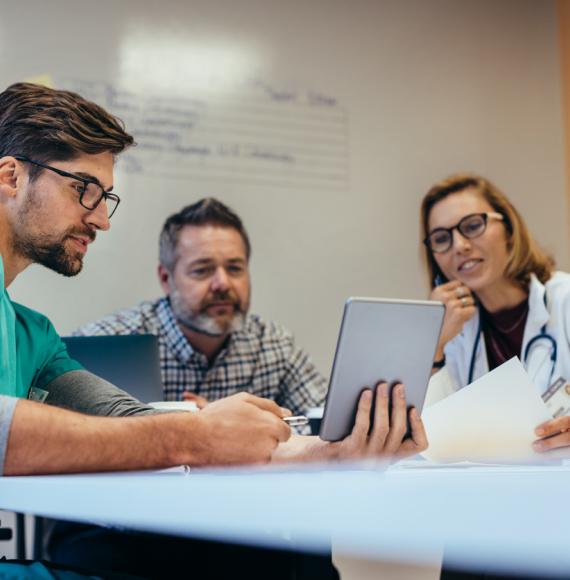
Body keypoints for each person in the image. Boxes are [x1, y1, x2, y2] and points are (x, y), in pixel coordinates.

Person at [0, 82, 427, 578]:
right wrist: (194, 434)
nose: (101, 219)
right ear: (10, 176)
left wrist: (330, 452)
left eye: (105, 197)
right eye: (84, 189)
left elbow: (126, 421)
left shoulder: (33, 335)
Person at [74, 198, 326, 419]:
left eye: (235, 268)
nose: (223, 283)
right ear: (166, 279)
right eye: (202, 270)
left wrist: (247, 427)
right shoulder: (104, 344)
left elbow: (327, 429)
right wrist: (198, 429)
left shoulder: (274, 344)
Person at [421, 173, 570, 455]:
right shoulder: (452, 331)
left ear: (509, 229)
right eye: (441, 238)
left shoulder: (564, 300)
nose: (459, 246)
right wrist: (434, 344)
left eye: (473, 225)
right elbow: (431, 443)